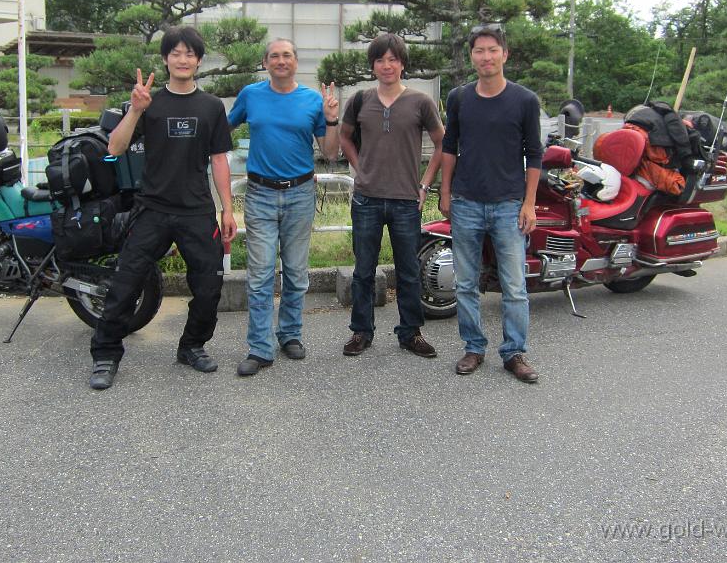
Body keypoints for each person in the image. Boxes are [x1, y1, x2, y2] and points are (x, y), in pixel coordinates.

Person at [88, 26, 238, 390]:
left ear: (198, 61)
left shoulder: (212, 106)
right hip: (152, 208)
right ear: (166, 59)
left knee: (208, 286)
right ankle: (106, 354)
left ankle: (192, 346)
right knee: (125, 283)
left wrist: (227, 209)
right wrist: (135, 111)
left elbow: (219, 159)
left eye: (190, 54)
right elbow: (115, 148)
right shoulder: (149, 102)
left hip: (197, 210)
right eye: (176, 53)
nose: (183, 59)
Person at [228, 39, 340, 376]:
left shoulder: (311, 100)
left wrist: (332, 119)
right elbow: (223, 129)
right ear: (265, 63)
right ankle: (260, 348)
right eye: (274, 56)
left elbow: (331, 153)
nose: (280, 60)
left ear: (296, 61)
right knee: (260, 276)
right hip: (260, 193)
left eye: (287, 55)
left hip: (300, 194)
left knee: (295, 272)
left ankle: (290, 334)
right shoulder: (251, 94)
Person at [439, 24, 543, 382]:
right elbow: (449, 146)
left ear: (505, 54)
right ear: (472, 56)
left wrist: (529, 204)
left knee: (514, 285)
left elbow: (535, 154)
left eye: (492, 50)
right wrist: (446, 191)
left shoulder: (525, 100)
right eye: (479, 51)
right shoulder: (459, 98)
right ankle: (473, 346)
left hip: (508, 205)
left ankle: (514, 352)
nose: (486, 57)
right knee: (466, 282)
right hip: (466, 201)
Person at [339, 33, 444, 358]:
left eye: (393, 59)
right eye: (381, 59)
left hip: (405, 201)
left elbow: (443, 143)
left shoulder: (420, 102)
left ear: (402, 64)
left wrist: (425, 185)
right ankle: (361, 332)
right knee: (363, 270)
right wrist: (360, 169)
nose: (387, 65)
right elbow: (344, 138)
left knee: (409, 271)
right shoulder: (360, 100)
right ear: (373, 65)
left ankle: (410, 333)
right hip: (366, 198)